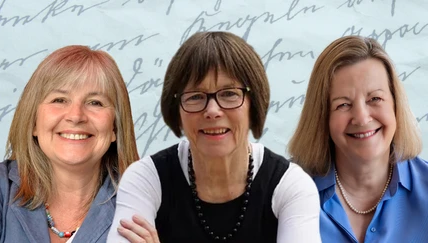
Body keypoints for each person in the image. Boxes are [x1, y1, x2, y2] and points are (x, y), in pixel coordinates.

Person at [106, 31, 321, 243]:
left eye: (229, 94)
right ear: (177, 111)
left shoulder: (291, 186)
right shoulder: (145, 180)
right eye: (196, 96)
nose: (212, 110)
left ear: (253, 105)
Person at [288, 35, 428, 243]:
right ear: (322, 116)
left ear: (395, 105)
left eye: (375, 99)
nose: (362, 118)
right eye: (343, 104)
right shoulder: (285, 195)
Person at [0, 45, 139, 243]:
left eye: (95, 102)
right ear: (34, 122)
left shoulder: (149, 204)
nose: (76, 116)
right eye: (60, 99)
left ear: (114, 127)